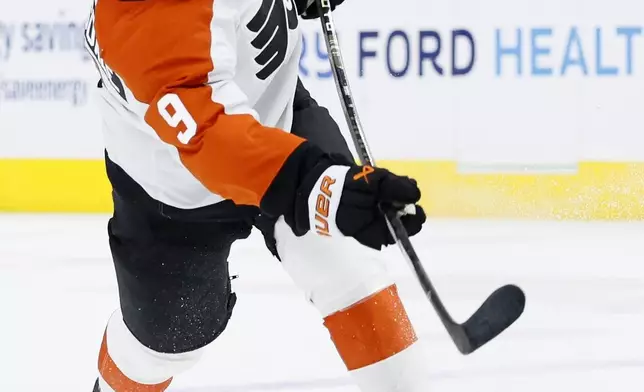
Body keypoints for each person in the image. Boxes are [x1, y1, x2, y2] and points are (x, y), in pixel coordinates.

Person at [84, 0, 429, 390]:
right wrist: (317, 188)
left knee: (348, 267)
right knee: (162, 346)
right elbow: (210, 136)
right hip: (169, 181)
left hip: (274, 109)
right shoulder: (146, 15)